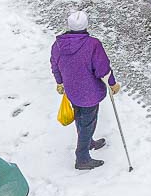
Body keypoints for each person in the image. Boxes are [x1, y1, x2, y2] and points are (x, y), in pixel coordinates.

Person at [50, 10, 118, 171]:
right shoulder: (92, 44)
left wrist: (60, 82)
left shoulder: (58, 45)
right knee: (87, 123)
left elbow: (55, 65)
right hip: (90, 92)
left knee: (80, 119)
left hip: (72, 91)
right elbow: (103, 69)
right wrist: (113, 84)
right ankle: (82, 158)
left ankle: (88, 142)